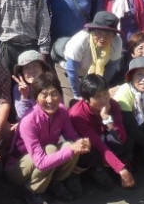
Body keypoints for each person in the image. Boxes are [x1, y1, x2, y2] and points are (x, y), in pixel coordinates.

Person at [6, 72, 90, 204]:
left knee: (71, 144)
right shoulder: (29, 121)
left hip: (43, 162)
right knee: (53, 149)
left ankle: (54, 182)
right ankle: (32, 191)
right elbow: (40, 161)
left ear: (60, 94)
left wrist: (81, 143)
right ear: (36, 98)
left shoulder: (62, 111)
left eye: (54, 94)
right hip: (18, 170)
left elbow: (71, 135)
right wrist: (72, 149)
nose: (50, 100)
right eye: (44, 95)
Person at [69, 74, 134, 189]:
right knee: (89, 150)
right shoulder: (78, 115)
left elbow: (121, 137)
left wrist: (106, 118)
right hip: (86, 145)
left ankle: (100, 168)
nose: (104, 99)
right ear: (86, 99)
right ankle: (75, 174)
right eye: (98, 96)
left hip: (101, 137)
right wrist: (120, 169)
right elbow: (99, 146)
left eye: (105, 93)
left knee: (123, 141)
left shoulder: (112, 104)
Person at [62, 12, 123, 100]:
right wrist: (78, 95)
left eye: (108, 34)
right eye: (99, 32)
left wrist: (100, 89)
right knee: (74, 103)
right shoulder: (80, 41)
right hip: (68, 70)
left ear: (114, 35)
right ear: (92, 30)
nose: (103, 38)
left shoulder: (117, 42)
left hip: (91, 75)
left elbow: (111, 69)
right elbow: (71, 70)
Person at [12, 51, 49, 121]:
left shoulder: (51, 84)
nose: (32, 71)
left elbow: (58, 110)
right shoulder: (18, 89)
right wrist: (24, 96)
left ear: (43, 69)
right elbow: (22, 116)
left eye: (35, 66)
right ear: (21, 73)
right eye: (27, 68)